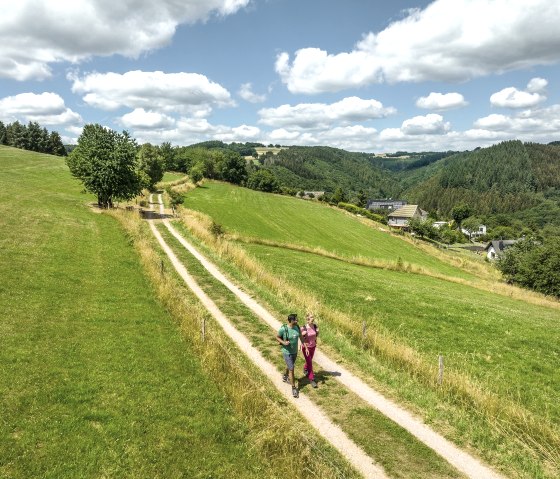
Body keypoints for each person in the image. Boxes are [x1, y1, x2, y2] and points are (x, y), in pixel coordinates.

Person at [276, 313, 307, 398]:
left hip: (294, 351)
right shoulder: (283, 329)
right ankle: (294, 388)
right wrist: (284, 343)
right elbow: (277, 337)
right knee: (292, 368)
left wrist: (305, 346)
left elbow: (300, 336)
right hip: (286, 352)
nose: (297, 320)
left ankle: (285, 376)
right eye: (296, 319)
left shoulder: (297, 327)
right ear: (292, 320)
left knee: (290, 366)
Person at [301, 312, 319, 388]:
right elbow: (301, 338)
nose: (313, 318)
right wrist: (302, 334)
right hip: (306, 348)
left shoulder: (314, 326)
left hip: (313, 346)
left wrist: (318, 332)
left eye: (313, 317)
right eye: (311, 317)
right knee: (310, 362)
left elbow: (315, 336)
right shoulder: (303, 328)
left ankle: (305, 368)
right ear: (307, 319)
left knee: (309, 360)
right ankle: (311, 379)